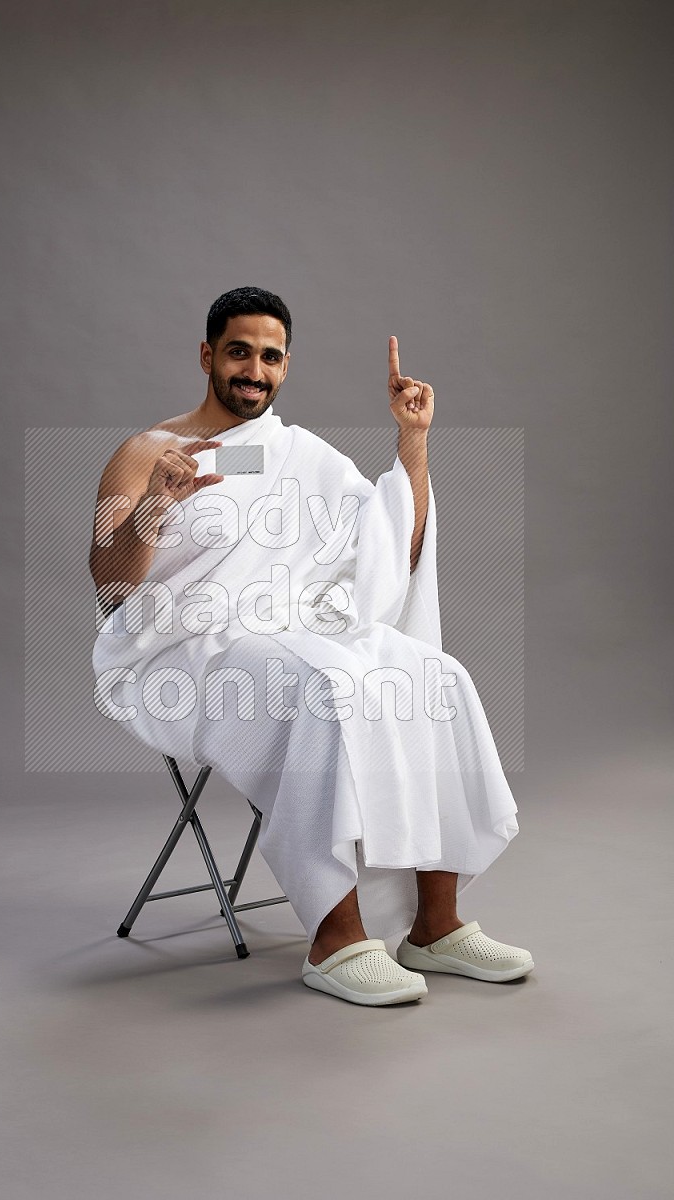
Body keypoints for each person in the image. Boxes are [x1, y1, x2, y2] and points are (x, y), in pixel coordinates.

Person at [89, 286, 534, 1007]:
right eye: (239, 352)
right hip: (180, 648)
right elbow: (110, 588)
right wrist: (154, 508)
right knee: (325, 685)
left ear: (285, 366)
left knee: (434, 675)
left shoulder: (303, 456)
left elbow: (396, 547)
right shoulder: (145, 452)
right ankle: (335, 937)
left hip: (291, 629)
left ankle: (436, 925)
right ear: (208, 355)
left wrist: (412, 442)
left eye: (270, 357)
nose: (253, 370)